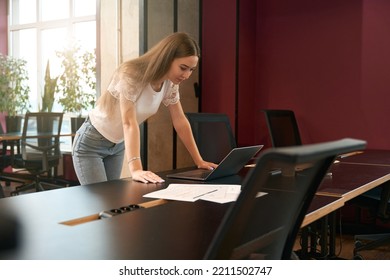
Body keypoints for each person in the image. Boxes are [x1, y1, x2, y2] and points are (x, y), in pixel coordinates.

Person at [72, 32, 217, 185]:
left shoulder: (170, 84)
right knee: (98, 203)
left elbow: (180, 120)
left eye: (191, 70)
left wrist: (199, 160)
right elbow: (128, 122)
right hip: (91, 142)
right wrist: (136, 169)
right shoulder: (132, 74)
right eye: (183, 68)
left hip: (118, 145)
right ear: (167, 58)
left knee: (110, 201)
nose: (186, 75)